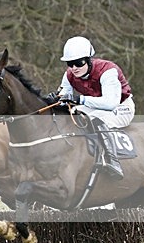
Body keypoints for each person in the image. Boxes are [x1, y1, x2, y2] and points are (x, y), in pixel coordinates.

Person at [55, 36, 134, 179]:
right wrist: (54, 100)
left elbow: (110, 103)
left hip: (121, 107)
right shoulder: (68, 75)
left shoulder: (108, 71)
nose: (74, 68)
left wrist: (79, 99)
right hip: (94, 106)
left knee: (97, 120)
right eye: (70, 63)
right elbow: (63, 97)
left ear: (89, 59)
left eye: (78, 63)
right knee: (71, 115)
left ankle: (113, 161)